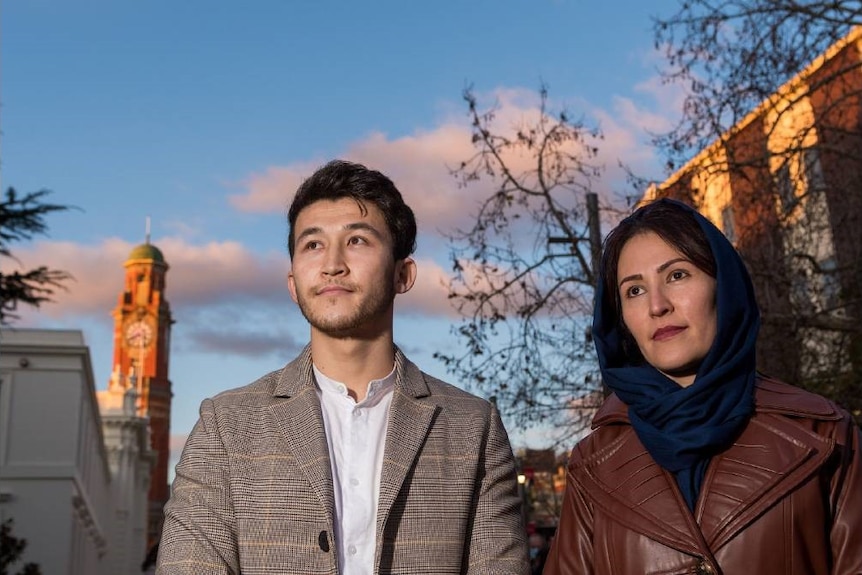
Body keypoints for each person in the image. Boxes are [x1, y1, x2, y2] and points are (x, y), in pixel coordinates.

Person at [157, 160, 529, 575]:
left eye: (356, 240)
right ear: (293, 283)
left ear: (402, 274)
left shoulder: (473, 428)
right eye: (312, 245)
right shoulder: (225, 426)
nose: (332, 263)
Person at [544, 198, 862, 574]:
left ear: (723, 285)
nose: (657, 305)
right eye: (634, 290)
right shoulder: (592, 464)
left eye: (677, 275)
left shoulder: (825, 434)